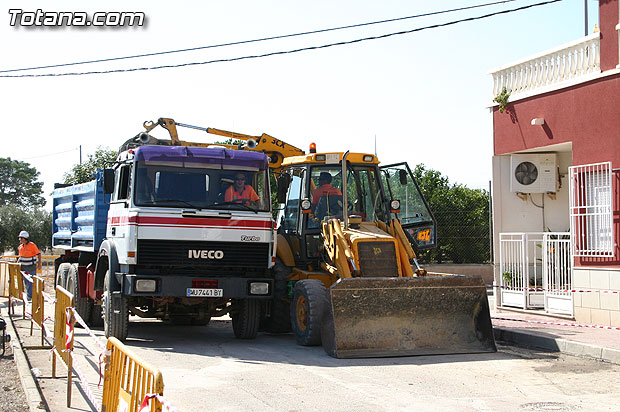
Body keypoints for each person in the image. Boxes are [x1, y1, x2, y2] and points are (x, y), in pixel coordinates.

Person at [17, 231, 41, 300]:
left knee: (31, 282)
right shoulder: (20, 247)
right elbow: (20, 257)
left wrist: (39, 265)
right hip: (23, 268)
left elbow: (38, 254)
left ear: (24, 238)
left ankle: (30, 296)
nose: (19, 240)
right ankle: (29, 295)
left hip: (31, 267)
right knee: (26, 282)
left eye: (20, 238)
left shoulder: (32, 245)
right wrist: (17, 264)